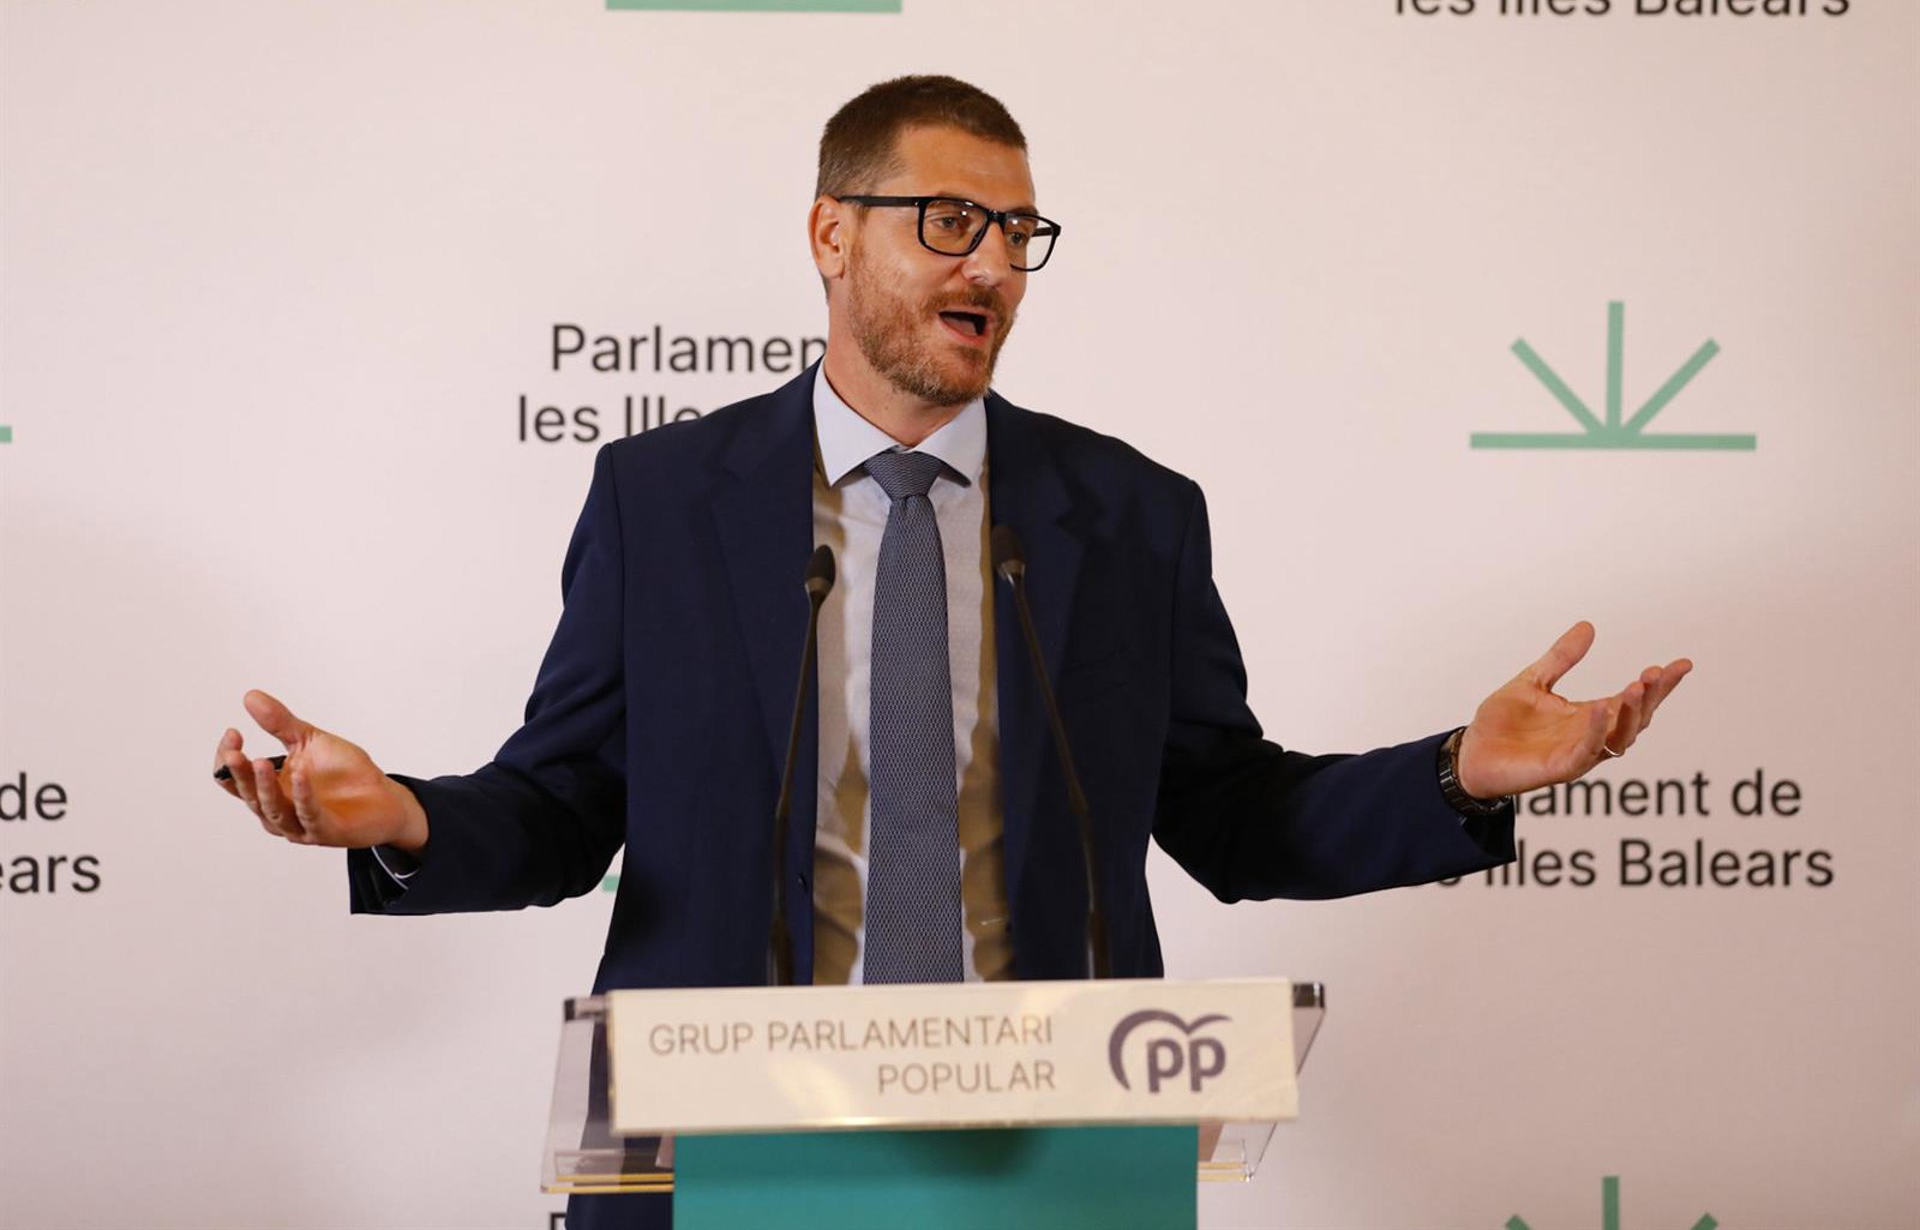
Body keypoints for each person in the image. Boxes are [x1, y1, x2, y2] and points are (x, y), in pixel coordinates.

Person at [212, 75, 1689, 1228]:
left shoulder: (1129, 514)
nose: (993, 264)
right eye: (948, 221)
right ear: (830, 234)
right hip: (722, 1148)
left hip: (1049, 1158)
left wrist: (1458, 772)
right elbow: (560, 806)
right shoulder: (662, 502)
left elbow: (1235, 813)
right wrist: (404, 819)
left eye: (1019, 234)